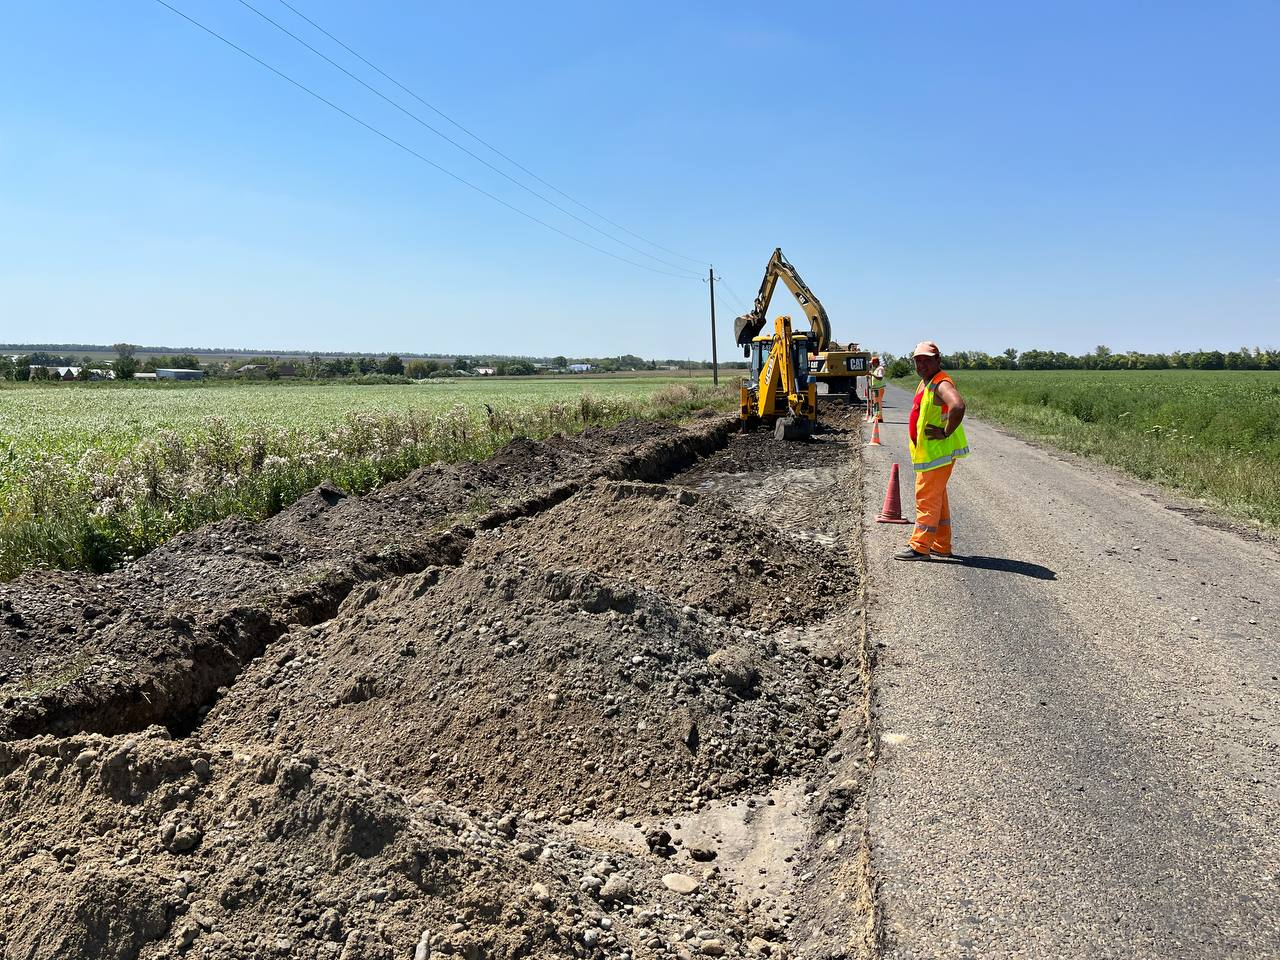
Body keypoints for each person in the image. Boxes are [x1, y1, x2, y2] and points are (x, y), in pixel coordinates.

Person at [895, 341, 969, 561]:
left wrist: (945, 432)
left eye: (928, 360)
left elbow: (958, 406)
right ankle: (941, 544)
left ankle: (920, 547)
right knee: (937, 498)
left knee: (926, 498)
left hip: (936, 453)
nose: (922, 364)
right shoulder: (926, 382)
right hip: (932, 453)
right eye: (918, 360)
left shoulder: (940, 384)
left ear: (938, 360)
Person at [869, 356, 886, 422]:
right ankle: (879, 417)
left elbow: (880, 377)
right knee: (876, 403)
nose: (872, 365)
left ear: (876, 363)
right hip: (877, 389)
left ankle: (878, 417)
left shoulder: (880, 369)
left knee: (877, 404)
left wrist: (872, 374)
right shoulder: (877, 369)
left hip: (879, 389)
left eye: (872, 363)